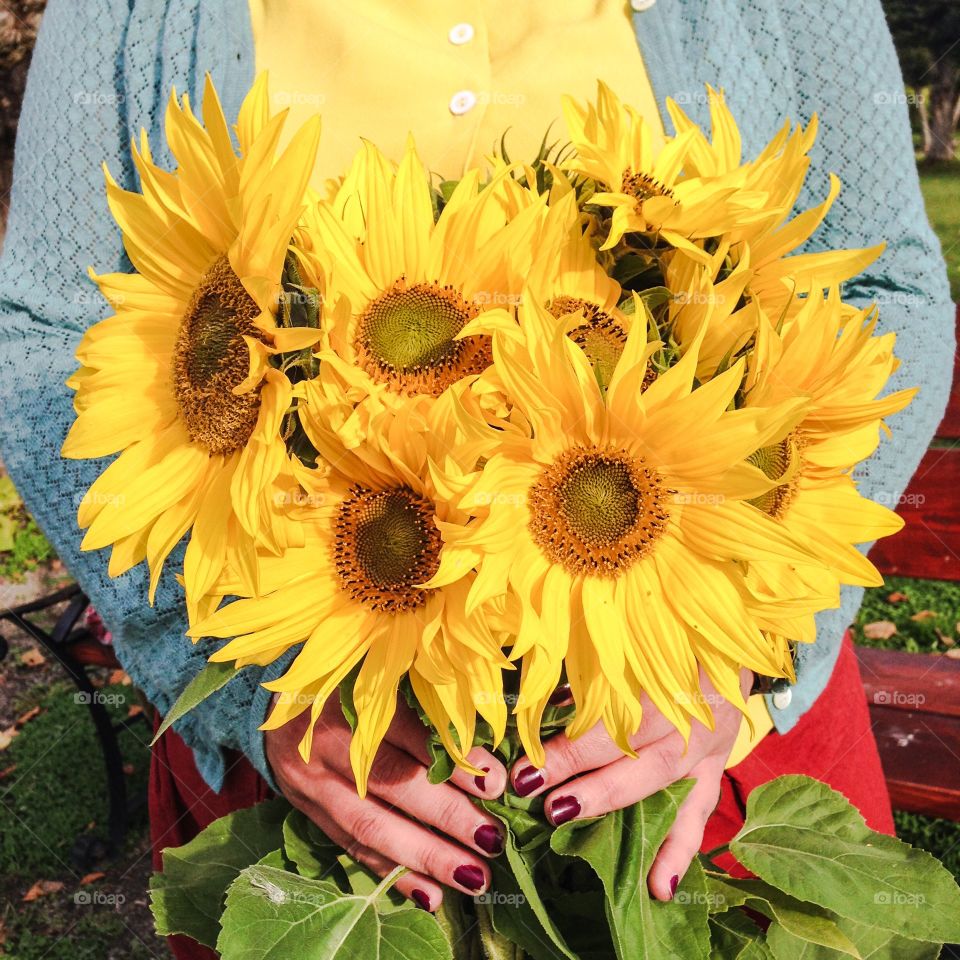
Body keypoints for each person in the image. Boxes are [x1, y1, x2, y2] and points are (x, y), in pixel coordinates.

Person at [0, 0, 951, 955]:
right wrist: (247, 698)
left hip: (696, 738)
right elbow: (40, 341)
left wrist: (748, 654)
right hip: (320, 752)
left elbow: (885, 295)